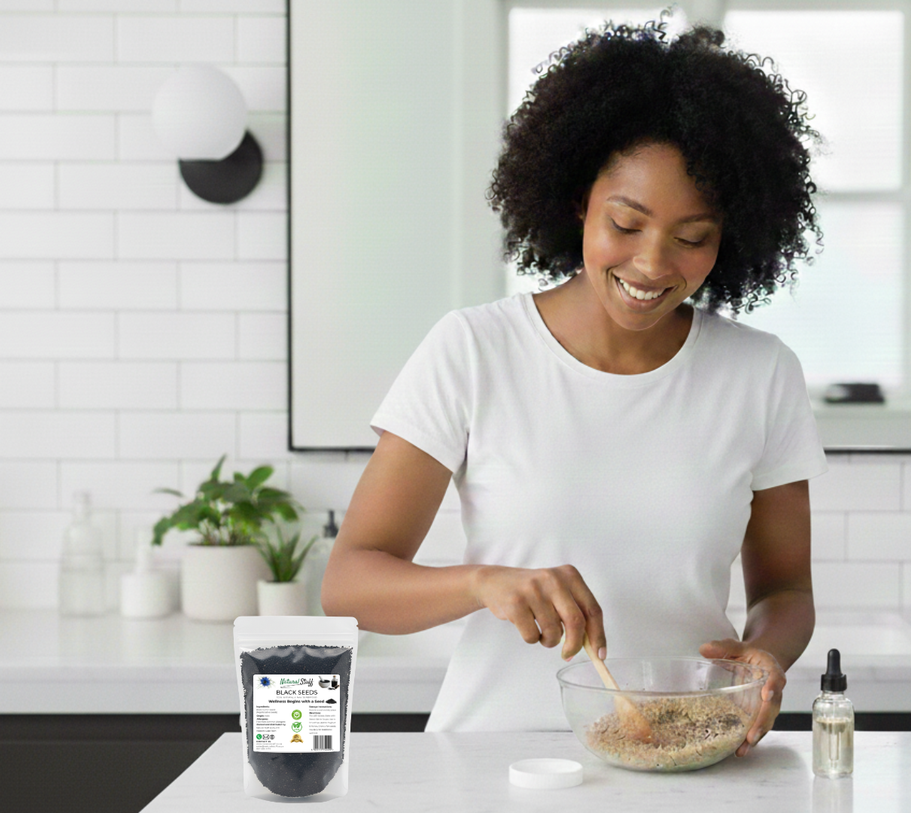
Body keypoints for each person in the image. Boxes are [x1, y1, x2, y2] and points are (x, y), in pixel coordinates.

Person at [321, 19, 826, 755]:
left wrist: (767, 655)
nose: (652, 264)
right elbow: (350, 584)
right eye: (626, 222)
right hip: (491, 761)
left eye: (692, 238)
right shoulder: (473, 349)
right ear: (575, 202)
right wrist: (482, 583)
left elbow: (785, 591)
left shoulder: (759, 373)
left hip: (679, 756)